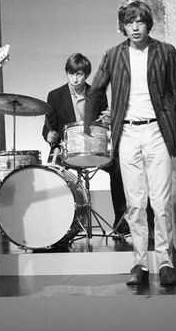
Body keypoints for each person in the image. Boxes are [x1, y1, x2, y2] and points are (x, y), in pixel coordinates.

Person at [85, 0, 176, 286]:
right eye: (130, 22)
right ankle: (139, 263)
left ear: (148, 23)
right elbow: (96, 89)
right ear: (123, 26)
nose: (135, 27)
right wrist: (92, 126)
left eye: (140, 21)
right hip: (127, 134)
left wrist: (166, 119)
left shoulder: (165, 51)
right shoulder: (114, 54)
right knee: (136, 203)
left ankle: (165, 263)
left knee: (162, 202)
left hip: (156, 133)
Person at [42, 53, 128, 237]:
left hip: (92, 147)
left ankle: (120, 219)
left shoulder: (97, 95)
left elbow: (103, 126)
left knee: (118, 167)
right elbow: (48, 125)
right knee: (50, 172)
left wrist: (108, 120)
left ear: (86, 75)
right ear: (66, 73)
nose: (75, 78)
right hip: (66, 148)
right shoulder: (55, 96)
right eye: (71, 74)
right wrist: (49, 136)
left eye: (79, 74)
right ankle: (58, 224)